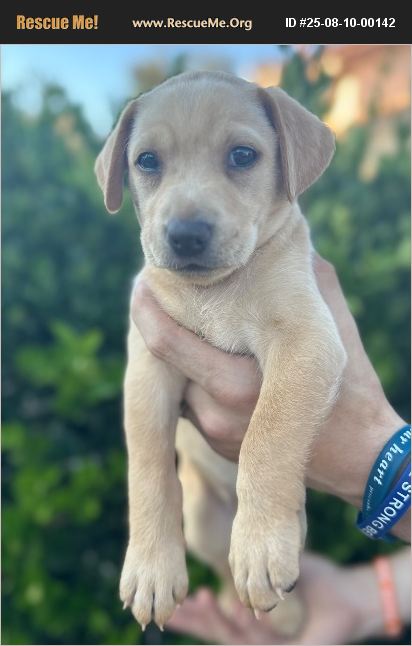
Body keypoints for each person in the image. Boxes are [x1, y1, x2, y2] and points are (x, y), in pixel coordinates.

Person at [131, 255, 410, 641]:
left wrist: (366, 460)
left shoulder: (279, 259)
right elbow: (148, 386)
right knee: (204, 526)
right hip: (209, 485)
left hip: (266, 490)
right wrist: (152, 530)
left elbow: (309, 349)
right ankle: (235, 579)